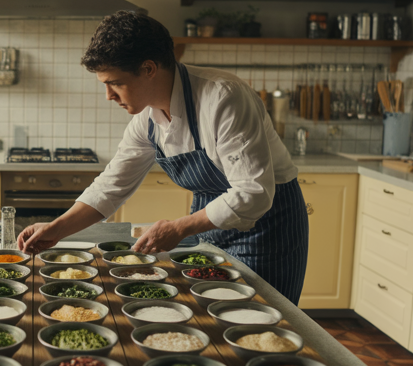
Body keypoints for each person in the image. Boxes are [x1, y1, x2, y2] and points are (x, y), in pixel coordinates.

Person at [16, 11, 309, 303]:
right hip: (209, 225)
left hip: (268, 229)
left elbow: (253, 193)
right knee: (213, 313)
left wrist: (180, 227)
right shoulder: (146, 119)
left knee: (265, 322)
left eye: (115, 83)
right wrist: (56, 228)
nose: (108, 95)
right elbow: (110, 187)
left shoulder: (222, 97)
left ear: (148, 69)